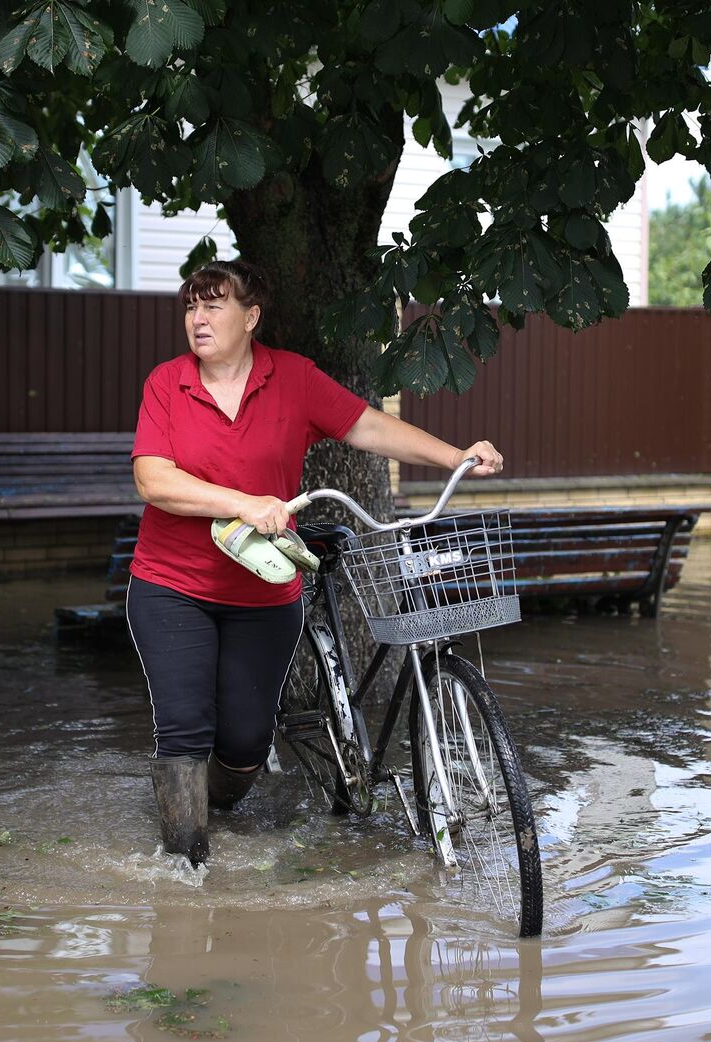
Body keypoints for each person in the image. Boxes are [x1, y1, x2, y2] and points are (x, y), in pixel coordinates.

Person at [128, 260, 504, 867]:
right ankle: (186, 875)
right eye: (191, 306)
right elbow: (153, 479)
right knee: (183, 729)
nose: (198, 318)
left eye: (214, 305)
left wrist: (456, 455)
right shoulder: (166, 384)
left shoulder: (294, 379)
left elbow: (368, 427)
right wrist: (243, 504)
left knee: (246, 745)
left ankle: (212, 810)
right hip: (174, 586)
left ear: (251, 317)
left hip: (264, 594)